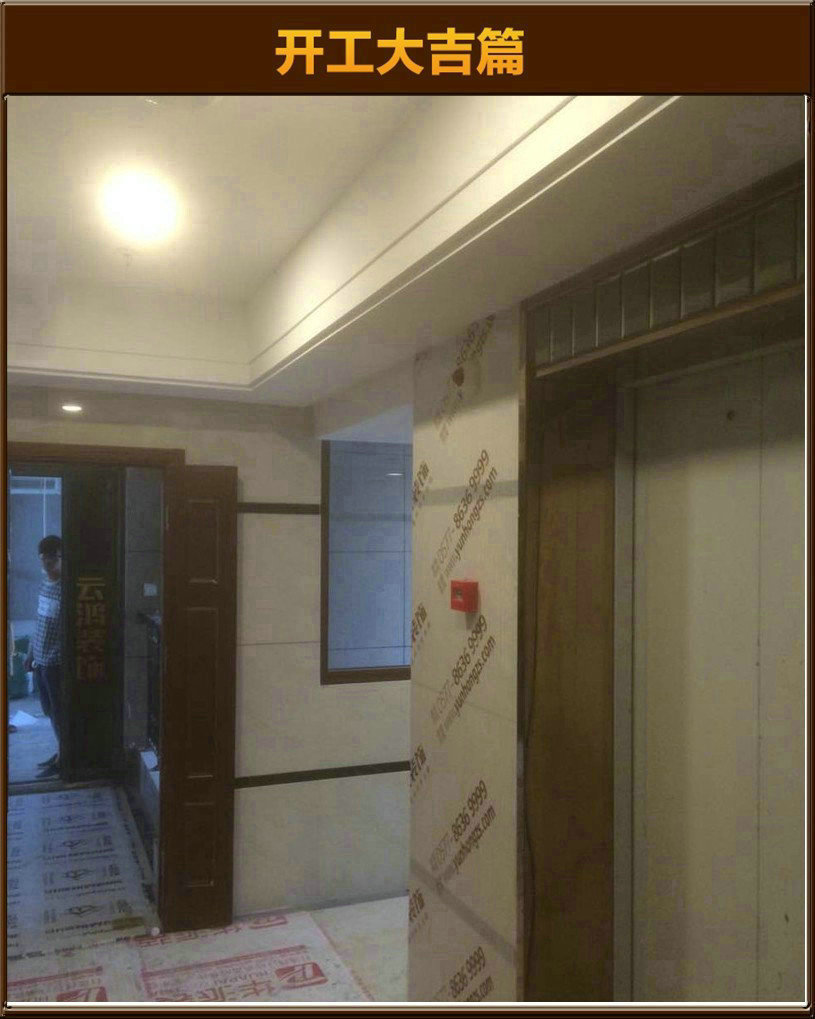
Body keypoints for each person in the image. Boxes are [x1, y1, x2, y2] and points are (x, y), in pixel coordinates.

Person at [23, 534, 63, 777]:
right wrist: (30, 654)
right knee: (49, 711)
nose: (47, 564)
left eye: (52, 559)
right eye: (43, 559)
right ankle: (60, 751)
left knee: (59, 712)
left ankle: (64, 757)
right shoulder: (44, 585)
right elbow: (39, 621)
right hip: (40, 659)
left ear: (61, 558)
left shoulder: (66, 589)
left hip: (56, 662)